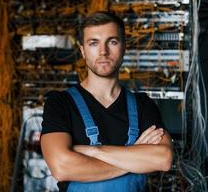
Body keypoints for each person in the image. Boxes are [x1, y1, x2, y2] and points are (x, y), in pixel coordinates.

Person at [40, 11, 173, 192]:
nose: (103, 51)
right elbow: (62, 168)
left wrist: (94, 151)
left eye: (112, 41)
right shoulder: (60, 103)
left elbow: (163, 159)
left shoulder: (143, 104)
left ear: (123, 47)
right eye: (93, 43)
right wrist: (136, 156)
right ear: (83, 51)